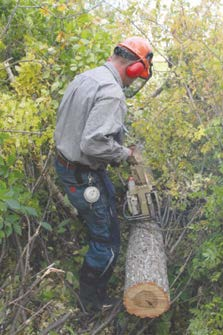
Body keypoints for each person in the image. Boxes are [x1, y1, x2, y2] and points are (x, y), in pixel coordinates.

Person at [54, 36, 153, 312]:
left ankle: (91, 289)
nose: (134, 82)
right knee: (107, 241)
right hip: (82, 173)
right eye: (137, 76)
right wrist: (125, 154)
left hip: (68, 164)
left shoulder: (87, 77)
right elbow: (93, 143)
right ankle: (91, 302)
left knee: (108, 203)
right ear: (134, 68)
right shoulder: (112, 92)